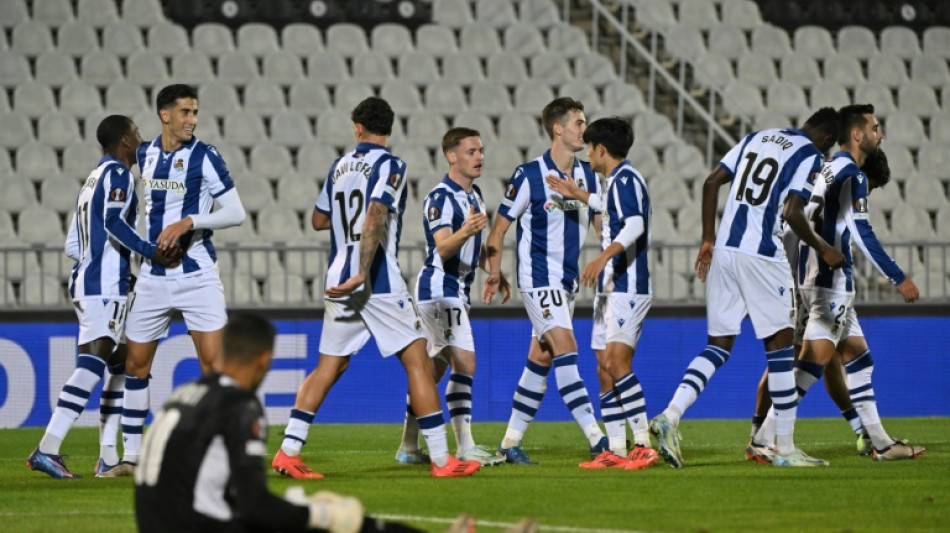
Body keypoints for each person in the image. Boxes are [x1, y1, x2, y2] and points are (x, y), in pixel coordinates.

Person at [271, 97, 480, 479]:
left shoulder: (338, 166)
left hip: (337, 276)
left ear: (358, 128)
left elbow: (319, 219)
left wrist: (345, 239)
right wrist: (363, 270)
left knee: (330, 365)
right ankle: (440, 459)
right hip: (375, 280)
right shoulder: (391, 165)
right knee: (418, 361)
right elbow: (375, 213)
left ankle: (288, 451)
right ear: (389, 128)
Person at [648, 107, 846, 468]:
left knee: (719, 347)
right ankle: (783, 449)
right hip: (762, 256)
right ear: (827, 140)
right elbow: (791, 211)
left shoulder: (757, 137)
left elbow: (711, 182)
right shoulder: (808, 154)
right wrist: (823, 247)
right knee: (782, 350)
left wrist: (707, 238)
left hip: (724, 250)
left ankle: (670, 416)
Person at [135, 313, 437, 533]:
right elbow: (256, 506)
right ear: (264, 360)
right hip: (202, 526)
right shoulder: (239, 405)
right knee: (338, 524)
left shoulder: (180, 396)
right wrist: (320, 514)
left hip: (159, 524)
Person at [751, 105, 925, 462]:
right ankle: (765, 437)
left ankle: (880, 443)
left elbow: (790, 224)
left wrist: (795, 276)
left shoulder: (822, 168)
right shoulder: (854, 176)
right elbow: (861, 231)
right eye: (875, 128)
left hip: (811, 278)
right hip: (831, 282)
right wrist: (898, 276)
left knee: (859, 358)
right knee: (811, 366)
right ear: (857, 134)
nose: (880, 134)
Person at [27, 115, 179, 479]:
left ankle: (109, 455)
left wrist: (97, 266)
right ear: (125, 141)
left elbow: (72, 244)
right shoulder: (118, 175)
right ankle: (47, 448)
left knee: (123, 364)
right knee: (93, 362)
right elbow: (113, 222)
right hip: (102, 285)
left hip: (92, 280)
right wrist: (147, 250)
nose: (141, 142)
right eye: (137, 136)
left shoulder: (91, 180)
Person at [120, 84, 247, 475]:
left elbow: (236, 212)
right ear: (165, 114)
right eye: (186, 112)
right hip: (153, 277)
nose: (193, 119)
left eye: (195, 112)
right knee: (135, 366)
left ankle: (220, 447)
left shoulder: (205, 157)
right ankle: (131, 455)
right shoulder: (143, 155)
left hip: (197, 276)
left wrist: (192, 221)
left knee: (214, 367)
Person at [482, 97, 607, 465]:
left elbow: (602, 227)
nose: (584, 130)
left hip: (566, 283)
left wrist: (611, 254)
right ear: (558, 128)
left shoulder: (586, 176)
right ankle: (598, 441)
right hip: (538, 280)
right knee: (567, 350)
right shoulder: (529, 175)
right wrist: (494, 272)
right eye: (579, 124)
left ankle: (509, 442)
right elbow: (499, 229)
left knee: (541, 359)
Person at [545, 117, 660, 470]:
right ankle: (615, 448)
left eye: (590, 147)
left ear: (601, 149)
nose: (588, 154)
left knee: (616, 363)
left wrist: (602, 257)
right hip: (611, 288)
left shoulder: (627, 179)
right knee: (602, 366)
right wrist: (579, 195)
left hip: (627, 286)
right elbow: (609, 206)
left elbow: (635, 223)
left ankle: (642, 443)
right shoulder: (615, 182)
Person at [395, 127, 509, 467]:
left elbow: (472, 247)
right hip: (439, 289)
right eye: (472, 151)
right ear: (452, 156)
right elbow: (443, 245)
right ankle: (465, 446)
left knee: (430, 372)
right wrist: (466, 230)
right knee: (466, 362)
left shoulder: (473, 196)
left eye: (481, 151)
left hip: (455, 289)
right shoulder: (440, 197)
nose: (480, 157)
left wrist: (493, 270)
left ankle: (408, 446)